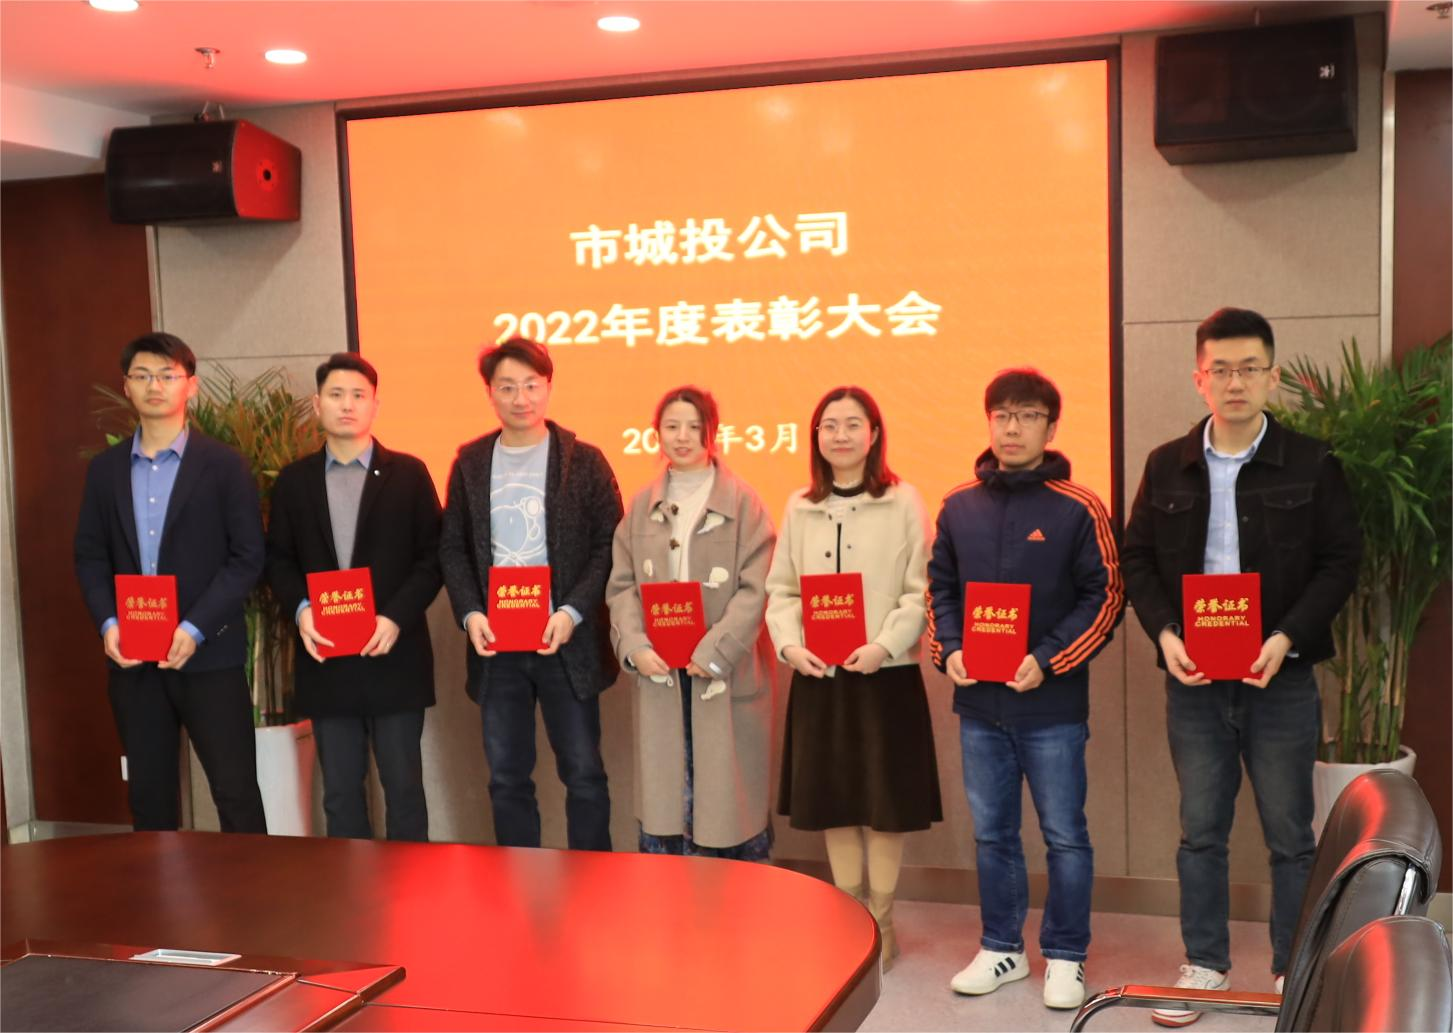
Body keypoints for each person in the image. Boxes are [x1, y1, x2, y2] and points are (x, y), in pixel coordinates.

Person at [1121, 308, 1360, 1026]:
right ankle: (1204, 963)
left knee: (1290, 834)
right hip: (1195, 680)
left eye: (1248, 368)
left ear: (1271, 376)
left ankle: (1293, 966)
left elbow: (1339, 561)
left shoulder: (1312, 462)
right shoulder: (1166, 463)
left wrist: (1285, 637)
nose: (1234, 382)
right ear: (1199, 378)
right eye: (1219, 369)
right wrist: (1165, 633)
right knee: (1200, 829)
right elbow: (1136, 557)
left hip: (1278, 676)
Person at [929, 368, 1122, 1010]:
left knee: (1064, 834)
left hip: (1051, 705)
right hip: (979, 705)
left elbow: (1106, 596)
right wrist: (950, 649)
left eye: (1028, 416)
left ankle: (1066, 955)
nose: (1012, 428)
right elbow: (939, 588)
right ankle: (1001, 947)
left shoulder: (1078, 507)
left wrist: (1048, 659)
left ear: (1051, 427)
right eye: (1002, 415)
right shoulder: (959, 505)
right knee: (993, 834)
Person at [765, 386, 941, 970]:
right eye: (829, 425)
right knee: (835, 800)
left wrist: (883, 644)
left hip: (884, 674)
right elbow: (781, 589)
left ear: (874, 434)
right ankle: (851, 919)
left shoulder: (903, 501)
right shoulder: (800, 505)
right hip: (820, 676)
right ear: (815, 437)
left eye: (852, 424)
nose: (840, 435)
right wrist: (790, 644)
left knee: (884, 803)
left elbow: (919, 589)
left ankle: (882, 921)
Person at [73, 331, 267, 833]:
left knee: (236, 793)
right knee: (149, 799)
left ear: (191, 385)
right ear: (127, 386)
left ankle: (255, 888)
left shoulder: (224, 466)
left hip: (210, 656)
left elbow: (247, 557)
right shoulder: (105, 471)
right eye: (142, 375)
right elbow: (90, 555)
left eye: (166, 375)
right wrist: (109, 624)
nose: (154, 385)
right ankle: (158, 887)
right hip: (134, 661)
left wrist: (195, 628)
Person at [439, 337, 623, 851]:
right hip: (497, 644)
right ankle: (517, 879)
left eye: (531, 385)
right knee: (506, 777)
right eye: (507, 387)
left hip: (565, 641)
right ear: (489, 393)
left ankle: (593, 878)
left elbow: (610, 543)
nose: (521, 398)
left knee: (584, 773)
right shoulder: (471, 462)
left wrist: (573, 611)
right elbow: (452, 546)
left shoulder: (583, 461)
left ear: (548, 387)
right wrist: (470, 613)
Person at [266, 353, 442, 842]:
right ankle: (350, 884)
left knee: (403, 789)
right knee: (340, 794)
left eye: (359, 396)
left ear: (375, 405)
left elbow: (433, 558)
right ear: (317, 403)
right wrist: (302, 611)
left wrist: (395, 617)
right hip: (326, 658)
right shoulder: (295, 482)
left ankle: (411, 883)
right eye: (337, 395)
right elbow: (277, 559)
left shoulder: (408, 474)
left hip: (394, 654)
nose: (347, 405)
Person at [606, 386, 777, 860]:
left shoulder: (744, 503)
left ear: (712, 432)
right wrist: (635, 646)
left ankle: (735, 890)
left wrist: (715, 651)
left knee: (726, 799)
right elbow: (621, 586)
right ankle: (671, 893)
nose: (682, 437)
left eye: (694, 427)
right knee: (666, 796)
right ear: (656, 433)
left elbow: (757, 587)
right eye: (672, 426)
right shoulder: (642, 505)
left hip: (721, 672)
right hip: (661, 670)